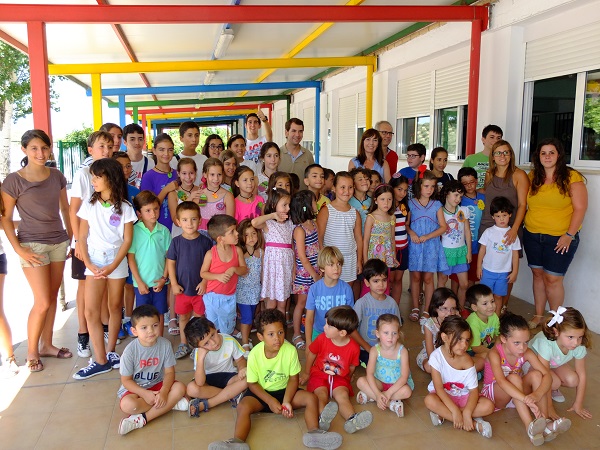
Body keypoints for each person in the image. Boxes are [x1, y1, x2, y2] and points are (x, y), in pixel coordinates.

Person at [208, 309, 343, 450]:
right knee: (243, 406)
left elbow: (293, 379)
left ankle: (314, 433)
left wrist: (287, 401)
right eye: (271, 334)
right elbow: (252, 384)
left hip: (285, 391)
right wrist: (270, 401)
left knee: (311, 398)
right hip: (261, 394)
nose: (277, 338)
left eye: (280, 332)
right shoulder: (254, 354)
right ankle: (237, 442)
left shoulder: (290, 351)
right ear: (260, 336)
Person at [1, 129, 73, 373]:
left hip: (58, 243)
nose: (40, 153)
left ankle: (47, 345)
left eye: (44, 148)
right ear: (24, 149)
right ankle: (32, 351)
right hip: (32, 246)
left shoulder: (57, 176)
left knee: (51, 298)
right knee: (41, 301)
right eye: (34, 148)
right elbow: (5, 219)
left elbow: (65, 209)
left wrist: (70, 238)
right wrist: (19, 250)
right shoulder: (14, 180)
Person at [73, 158, 136, 379]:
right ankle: (100, 360)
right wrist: (89, 264)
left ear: (111, 178)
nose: (93, 180)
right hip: (94, 261)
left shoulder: (125, 207)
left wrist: (113, 265)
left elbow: (127, 240)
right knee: (91, 311)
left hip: (116, 261)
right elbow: (82, 236)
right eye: (93, 176)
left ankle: (110, 352)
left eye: (98, 176)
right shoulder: (89, 205)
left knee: (115, 306)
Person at [523, 138, 588, 329]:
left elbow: (580, 209)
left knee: (553, 279)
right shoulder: (533, 176)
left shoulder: (571, 177)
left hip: (560, 238)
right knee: (537, 274)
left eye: (552, 152)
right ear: (538, 156)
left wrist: (569, 235)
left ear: (559, 155)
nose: (547, 156)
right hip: (532, 235)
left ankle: (554, 320)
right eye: (543, 153)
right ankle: (538, 315)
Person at [481, 312, 571, 445]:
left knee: (537, 375)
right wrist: (526, 400)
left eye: (526, 342)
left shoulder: (526, 352)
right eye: (517, 343)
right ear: (504, 339)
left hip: (517, 396)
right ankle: (530, 427)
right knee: (514, 378)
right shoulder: (495, 354)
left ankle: (544, 422)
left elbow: (547, 375)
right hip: (495, 396)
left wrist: (537, 394)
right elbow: (501, 382)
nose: (522, 348)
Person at [68, 130, 115, 358]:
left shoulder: (112, 172)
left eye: (109, 146)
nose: (106, 151)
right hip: (85, 241)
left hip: (105, 242)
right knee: (84, 288)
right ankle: (83, 334)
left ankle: (104, 328)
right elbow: (73, 210)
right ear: (90, 150)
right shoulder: (83, 174)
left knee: (102, 285)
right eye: (101, 147)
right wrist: (78, 241)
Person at [117, 305, 188, 435]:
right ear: (134, 331)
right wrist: (144, 393)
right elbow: (126, 381)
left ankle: (143, 419)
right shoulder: (129, 351)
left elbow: (169, 372)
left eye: (155, 325)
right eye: (144, 327)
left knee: (180, 388)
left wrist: (164, 392)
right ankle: (171, 404)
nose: (150, 331)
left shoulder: (165, 344)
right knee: (128, 405)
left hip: (158, 384)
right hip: (136, 389)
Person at [301, 306, 373, 434]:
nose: (324, 327)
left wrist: (349, 377)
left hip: (340, 378)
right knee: (321, 395)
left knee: (343, 396)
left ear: (342, 333)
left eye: (328, 326)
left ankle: (352, 419)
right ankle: (322, 417)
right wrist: (307, 372)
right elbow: (312, 353)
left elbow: (352, 366)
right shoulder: (322, 338)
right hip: (319, 374)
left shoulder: (354, 347)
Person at [479, 140, 529, 312]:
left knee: (505, 269)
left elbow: (522, 205)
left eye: (506, 152)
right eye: (498, 152)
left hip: (510, 228)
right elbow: (486, 195)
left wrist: (514, 229)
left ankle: (502, 307)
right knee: (488, 265)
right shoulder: (489, 174)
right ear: (492, 156)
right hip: (488, 225)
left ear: (511, 155)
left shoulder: (519, 175)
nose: (502, 156)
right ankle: (485, 306)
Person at [424, 316, 494, 438]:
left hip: (464, 397)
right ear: (444, 337)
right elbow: (439, 389)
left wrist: (467, 412)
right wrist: (455, 410)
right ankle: (474, 424)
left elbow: (473, 391)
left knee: (488, 406)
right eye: (459, 339)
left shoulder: (467, 360)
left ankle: (445, 415)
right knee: (429, 400)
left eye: (467, 340)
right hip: (444, 396)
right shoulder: (436, 357)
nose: (464, 345)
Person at [167, 201, 213, 358]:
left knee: (199, 318)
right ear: (178, 222)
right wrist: (173, 284)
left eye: (193, 219)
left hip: (200, 289)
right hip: (182, 289)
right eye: (185, 220)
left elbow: (211, 265)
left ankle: (198, 345)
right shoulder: (176, 242)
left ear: (200, 220)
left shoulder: (206, 242)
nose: (189, 223)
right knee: (183, 317)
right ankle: (183, 343)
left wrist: (205, 281)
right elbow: (171, 263)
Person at [529, 307, 592, 420]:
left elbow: (582, 375)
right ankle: (536, 389)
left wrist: (578, 404)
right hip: (532, 365)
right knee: (554, 382)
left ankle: (550, 389)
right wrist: (549, 407)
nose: (576, 343)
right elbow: (544, 374)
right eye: (570, 337)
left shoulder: (579, 345)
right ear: (556, 332)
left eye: (580, 337)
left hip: (552, 364)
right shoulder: (545, 343)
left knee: (573, 380)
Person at [406, 170, 448, 321]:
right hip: (415, 245)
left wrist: (427, 236)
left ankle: (427, 309)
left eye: (432, 186)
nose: (429, 189)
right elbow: (406, 224)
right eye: (426, 186)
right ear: (419, 186)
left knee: (429, 278)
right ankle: (415, 307)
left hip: (431, 245)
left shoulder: (437, 205)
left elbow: (443, 227)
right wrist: (412, 233)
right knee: (416, 277)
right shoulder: (410, 204)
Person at [185, 317, 248, 417]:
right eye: (206, 343)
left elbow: (240, 360)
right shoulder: (199, 352)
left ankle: (207, 404)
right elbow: (200, 382)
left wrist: (242, 369)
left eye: (212, 335)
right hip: (208, 380)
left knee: (247, 379)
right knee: (191, 389)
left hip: (229, 378)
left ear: (215, 328)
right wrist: (200, 359)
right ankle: (231, 395)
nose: (213, 343)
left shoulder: (229, 340)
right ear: (199, 347)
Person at [127, 191, 171, 335]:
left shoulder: (164, 231)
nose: (153, 213)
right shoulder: (133, 231)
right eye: (148, 210)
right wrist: (139, 282)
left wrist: (164, 278)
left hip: (160, 282)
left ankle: (160, 341)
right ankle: (145, 341)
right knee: (143, 316)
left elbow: (169, 258)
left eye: (156, 209)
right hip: (141, 283)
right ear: (139, 213)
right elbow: (131, 258)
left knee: (159, 313)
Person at [356, 314, 413, 417]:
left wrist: (388, 393)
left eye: (394, 333)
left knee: (407, 392)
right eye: (386, 333)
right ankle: (390, 404)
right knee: (360, 381)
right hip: (379, 382)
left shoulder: (403, 351)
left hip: (396, 385)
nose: (390, 337)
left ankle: (371, 397)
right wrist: (378, 394)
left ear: (398, 334)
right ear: (377, 333)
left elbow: (404, 377)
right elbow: (370, 373)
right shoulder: (374, 350)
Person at [317, 172, 363, 294]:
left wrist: (359, 260)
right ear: (334, 188)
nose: (346, 191)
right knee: (331, 292)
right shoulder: (326, 211)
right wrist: (322, 261)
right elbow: (319, 237)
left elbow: (359, 239)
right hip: (330, 261)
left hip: (349, 260)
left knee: (345, 292)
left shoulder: (355, 213)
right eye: (342, 187)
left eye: (350, 187)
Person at [201, 215, 248, 336]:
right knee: (212, 326)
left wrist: (234, 269)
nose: (237, 233)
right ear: (220, 239)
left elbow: (244, 270)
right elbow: (203, 273)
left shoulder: (237, 251)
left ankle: (227, 342)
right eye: (232, 231)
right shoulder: (211, 254)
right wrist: (218, 276)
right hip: (211, 297)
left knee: (227, 328)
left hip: (229, 298)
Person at [251, 188, 294, 314]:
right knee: (271, 303)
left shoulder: (290, 223)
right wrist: (272, 215)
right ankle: (268, 324)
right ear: (274, 205)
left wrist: (294, 268)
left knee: (282, 304)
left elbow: (292, 246)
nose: (288, 208)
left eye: (289, 205)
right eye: (284, 205)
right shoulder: (268, 223)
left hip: (285, 267)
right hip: (272, 268)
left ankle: (280, 323)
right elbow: (254, 222)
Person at [352, 258, 401, 366]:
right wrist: (367, 348)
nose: (381, 285)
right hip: (365, 349)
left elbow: (397, 329)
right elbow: (352, 330)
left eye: (384, 280)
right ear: (367, 282)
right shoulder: (362, 303)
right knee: (376, 365)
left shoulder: (392, 303)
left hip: (386, 348)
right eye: (376, 281)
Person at [477, 196, 521, 316]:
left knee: (498, 296)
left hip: (503, 273)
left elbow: (515, 254)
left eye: (504, 215)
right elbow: (482, 250)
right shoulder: (488, 232)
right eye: (498, 216)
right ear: (493, 217)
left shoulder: (512, 235)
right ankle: (483, 318)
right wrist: (479, 267)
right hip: (487, 271)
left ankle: (496, 319)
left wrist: (514, 272)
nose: (501, 219)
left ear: (510, 215)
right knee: (485, 297)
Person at [304, 246, 354, 349]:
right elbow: (309, 319)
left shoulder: (346, 289)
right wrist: (309, 343)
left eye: (339, 264)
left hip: (340, 334)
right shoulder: (314, 289)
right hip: (319, 332)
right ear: (322, 268)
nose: (336, 268)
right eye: (331, 265)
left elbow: (350, 318)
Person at [290, 190, 320, 351]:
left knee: (312, 303)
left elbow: (319, 245)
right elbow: (301, 256)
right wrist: (313, 273)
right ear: (306, 206)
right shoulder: (300, 230)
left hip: (316, 269)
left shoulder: (314, 224)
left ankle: (310, 329)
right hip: (304, 273)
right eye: (314, 201)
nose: (316, 204)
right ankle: (296, 334)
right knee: (301, 303)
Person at [450, 167, 485, 291]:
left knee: (472, 276)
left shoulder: (483, 197)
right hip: (461, 245)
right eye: (465, 183)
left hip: (478, 244)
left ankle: (468, 299)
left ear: (477, 181)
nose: (469, 186)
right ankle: (453, 297)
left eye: (472, 182)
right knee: (456, 276)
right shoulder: (459, 200)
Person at [438, 180, 471, 307]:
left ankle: (460, 309)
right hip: (445, 252)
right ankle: (439, 308)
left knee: (464, 284)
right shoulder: (440, 212)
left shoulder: (463, 210)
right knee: (442, 281)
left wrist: (468, 251)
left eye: (460, 196)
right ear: (447, 193)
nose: (458, 199)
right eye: (456, 195)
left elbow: (467, 231)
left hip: (461, 251)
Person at [235, 219, 264, 353]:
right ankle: (245, 343)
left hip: (255, 290)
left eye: (253, 234)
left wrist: (263, 289)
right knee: (247, 317)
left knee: (251, 315)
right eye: (246, 235)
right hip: (242, 290)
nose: (251, 238)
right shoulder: (239, 252)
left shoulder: (261, 252)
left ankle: (244, 335)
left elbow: (263, 272)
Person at [140, 133, 179, 233]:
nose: (166, 153)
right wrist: (166, 190)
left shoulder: (178, 174)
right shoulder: (148, 176)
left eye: (170, 150)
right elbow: (147, 207)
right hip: (157, 229)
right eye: (161, 149)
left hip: (178, 228)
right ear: (154, 150)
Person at [416, 288, 460, 373]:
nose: (449, 313)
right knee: (429, 367)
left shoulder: (456, 320)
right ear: (435, 308)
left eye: (453, 308)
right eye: (444, 308)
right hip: (433, 355)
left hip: (452, 353)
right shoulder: (429, 325)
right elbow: (430, 353)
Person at [363, 184, 398, 274]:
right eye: (382, 199)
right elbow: (366, 240)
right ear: (375, 200)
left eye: (389, 199)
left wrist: (394, 257)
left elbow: (392, 239)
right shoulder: (371, 217)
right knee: (374, 277)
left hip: (387, 255)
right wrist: (365, 260)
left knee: (385, 277)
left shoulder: (392, 217)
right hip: (374, 256)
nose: (386, 203)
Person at [465, 284, 499, 372]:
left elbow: (498, 335)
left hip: (487, 346)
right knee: (486, 357)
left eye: (492, 301)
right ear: (474, 307)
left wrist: (496, 349)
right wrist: (494, 353)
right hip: (471, 351)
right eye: (485, 303)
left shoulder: (493, 316)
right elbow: (475, 347)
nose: (491, 306)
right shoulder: (473, 323)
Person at [198, 158, 235, 231]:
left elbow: (230, 223)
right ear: (205, 174)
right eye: (212, 174)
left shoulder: (227, 196)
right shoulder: (199, 195)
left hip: (220, 234)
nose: (216, 178)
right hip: (201, 233)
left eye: (219, 174)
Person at [389, 175, 409, 306]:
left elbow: (406, 224)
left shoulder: (405, 206)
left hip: (403, 247)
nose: (402, 193)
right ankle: (386, 310)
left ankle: (395, 309)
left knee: (398, 279)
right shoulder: (386, 206)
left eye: (405, 190)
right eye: (399, 189)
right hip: (390, 249)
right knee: (389, 280)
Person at [167, 157, 201, 238]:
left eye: (191, 173)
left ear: (196, 172)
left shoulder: (201, 191)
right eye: (184, 173)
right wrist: (190, 199)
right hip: (179, 236)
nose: (188, 177)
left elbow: (203, 212)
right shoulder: (173, 194)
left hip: (198, 234)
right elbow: (176, 221)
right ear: (178, 173)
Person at [462, 124, 503, 189]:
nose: (495, 140)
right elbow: (462, 181)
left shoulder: (503, 160)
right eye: (492, 137)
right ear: (483, 139)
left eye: (498, 138)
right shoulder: (470, 159)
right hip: (473, 194)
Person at [279, 118, 315, 191]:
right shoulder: (277, 154)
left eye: (300, 131)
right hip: (282, 196)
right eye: (294, 131)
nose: (297, 135)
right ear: (286, 132)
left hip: (303, 197)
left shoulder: (308, 155)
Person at [174, 121, 207, 185]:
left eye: (196, 135)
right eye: (190, 135)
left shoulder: (204, 159)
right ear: (181, 138)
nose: (194, 139)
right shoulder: (174, 160)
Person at [123, 123, 154, 189]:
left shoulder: (150, 163)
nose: (137, 143)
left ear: (144, 141)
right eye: (132, 139)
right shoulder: (118, 162)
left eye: (140, 139)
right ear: (125, 142)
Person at [348, 168, 372, 233]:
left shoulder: (373, 201)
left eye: (367, 179)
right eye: (360, 179)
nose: (365, 181)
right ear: (353, 184)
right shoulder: (348, 202)